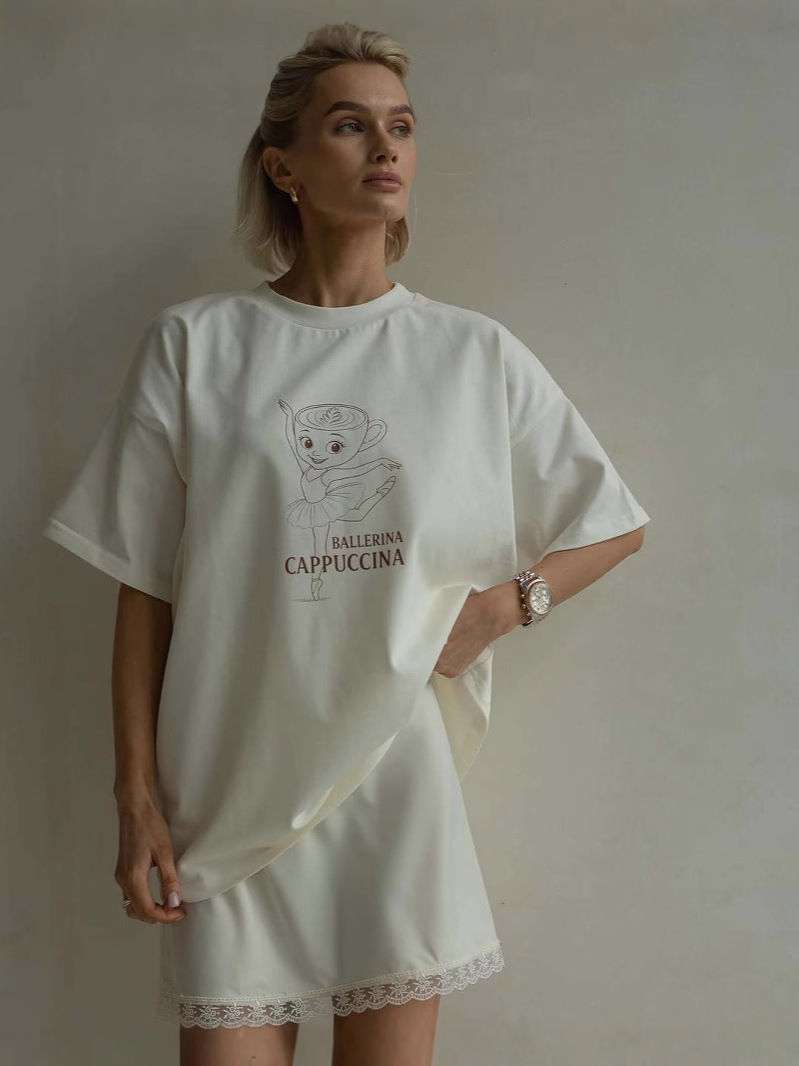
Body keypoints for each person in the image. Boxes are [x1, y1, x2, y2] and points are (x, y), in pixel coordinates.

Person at [41, 20, 650, 1066]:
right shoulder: (196, 345)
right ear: (283, 166)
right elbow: (145, 584)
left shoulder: (469, 353)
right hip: (225, 784)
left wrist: (504, 607)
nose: (385, 147)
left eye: (401, 126)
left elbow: (614, 520)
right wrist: (135, 797)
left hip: (391, 773)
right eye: (349, 125)